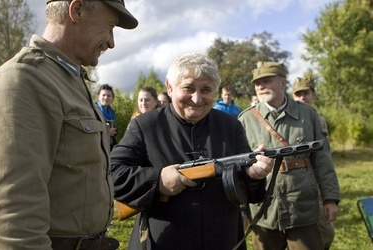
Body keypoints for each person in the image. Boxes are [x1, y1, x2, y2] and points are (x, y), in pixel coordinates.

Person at [0, 1, 138, 249]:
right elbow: (10, 219)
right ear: (77, 10)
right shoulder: (24, 80)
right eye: (109, 27)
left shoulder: (68, 80)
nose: (112, 41)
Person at [111, 52, 274, 250]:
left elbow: (248, 192)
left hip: (222, 241)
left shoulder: (230, 126)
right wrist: (158, 180)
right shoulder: (145, 125)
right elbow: (112, 173)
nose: (197, 99)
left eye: (205, 90)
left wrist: (253, 176)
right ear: (170, 87)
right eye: (188, 88)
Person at [238, 62, 340, 250]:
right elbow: (238, 171)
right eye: (257, 83)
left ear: (283, 83)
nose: (260, 86)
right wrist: (241, 210)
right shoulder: (245, 119)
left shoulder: (308, 114)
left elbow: (322, 160)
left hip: (302, 205)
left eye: (266, 80)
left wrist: (330, 199)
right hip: (264, 209)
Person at [292, 77, 334, 249]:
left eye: (306, 93)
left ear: (313, 95)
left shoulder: (318, 118)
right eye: (298, 94)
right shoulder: (290, 117)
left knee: (326, 233)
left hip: (316, 180)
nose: (302, 97)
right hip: (296, 182)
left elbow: (324, 154)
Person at [97, 84, 118, 151]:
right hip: (97, 147)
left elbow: (113, 129)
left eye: (109, 96)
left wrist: (114, 132)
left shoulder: (112, 112)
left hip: (109, 146)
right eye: (103, 95)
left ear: (112, 98)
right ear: (98, 97)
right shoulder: (92, 110)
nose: (106, 98)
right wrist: (107, 132)